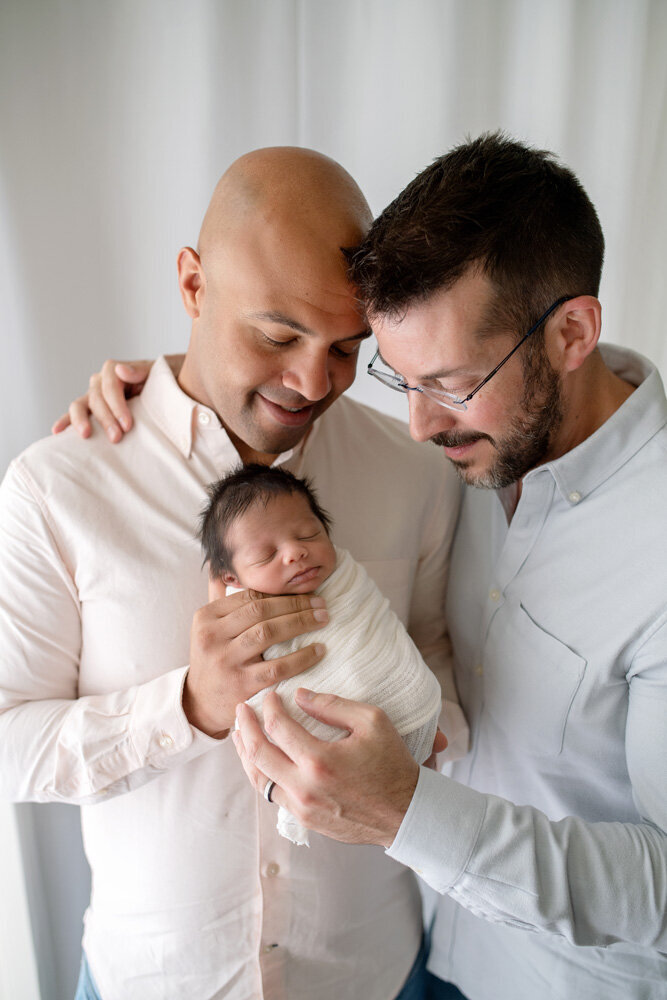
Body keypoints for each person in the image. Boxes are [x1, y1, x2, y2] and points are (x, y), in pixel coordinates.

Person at [0, 147, 464, 1000]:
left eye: (345, 348)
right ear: (191, 285)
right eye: (277, 335)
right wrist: (186, 709)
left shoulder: (413, 474)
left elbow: (445, 670)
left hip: (376, 971)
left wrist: (429, 740)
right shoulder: (58, 485)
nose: (310, 382)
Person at [228, 134, 667, 1000]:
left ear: (572, 331)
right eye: (401, 380)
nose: (421, 427)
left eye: (452, 383)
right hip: (435, 960)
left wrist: (405, 813)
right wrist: (159, 391)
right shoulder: (475, 454)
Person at [199, 462, 443, 846]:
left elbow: (377, 635)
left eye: (309, 534)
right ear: (231, 580)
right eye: (265, 555)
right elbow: (246, 682)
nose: (295, 552)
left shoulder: (345, 581)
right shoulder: (234, 620)